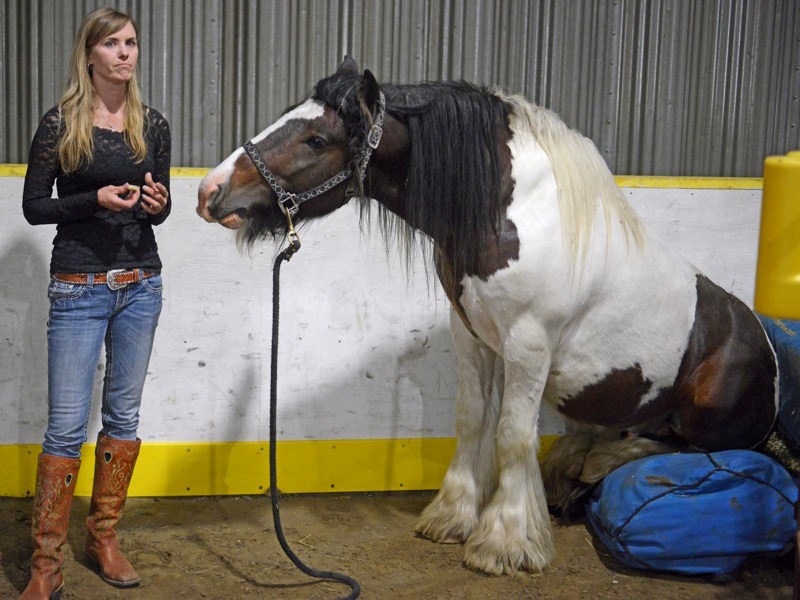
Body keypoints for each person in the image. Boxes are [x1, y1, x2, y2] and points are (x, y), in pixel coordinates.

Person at [20, 7, 170, 599]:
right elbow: (35, 207)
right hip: (78, 287)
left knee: (124, 419)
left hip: (141, 283)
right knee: (64, 430)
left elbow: (159, 206)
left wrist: (155, 203)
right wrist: (93, 199)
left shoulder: (150, 124)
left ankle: (103, 536)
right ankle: (45, 565)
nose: (125, 53)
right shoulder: (60, 124)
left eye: (131, 43)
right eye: (112, 44)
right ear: (90, 55)